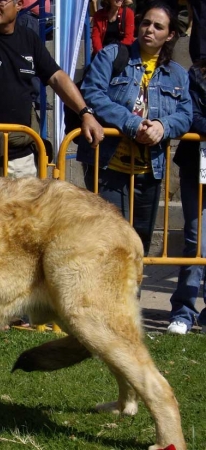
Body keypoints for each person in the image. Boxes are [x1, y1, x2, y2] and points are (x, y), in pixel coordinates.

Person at [77, 1, 192, 256]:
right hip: (108, 166)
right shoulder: (112, 55)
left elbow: (186, 114)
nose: (149, 30)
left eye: (158, 26)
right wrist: (132, 123)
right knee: (111, 243)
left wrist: (163, 126)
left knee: (138, 247)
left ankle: (132, 297)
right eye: (146, 23)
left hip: (149, 172)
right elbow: (92, 94)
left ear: (170, 34)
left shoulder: (177, 75)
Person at [0, 0, 104, 179]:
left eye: (0, 1)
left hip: (24, 158)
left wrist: (85, 114)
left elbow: (57, 76)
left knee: (26, 208)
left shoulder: (29, 38)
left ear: (19, 4)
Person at [167, 58, 206, 335]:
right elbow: (190, 116)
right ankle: (183, 311)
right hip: (198, 167)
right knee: (195, 239)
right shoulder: (195, 74)